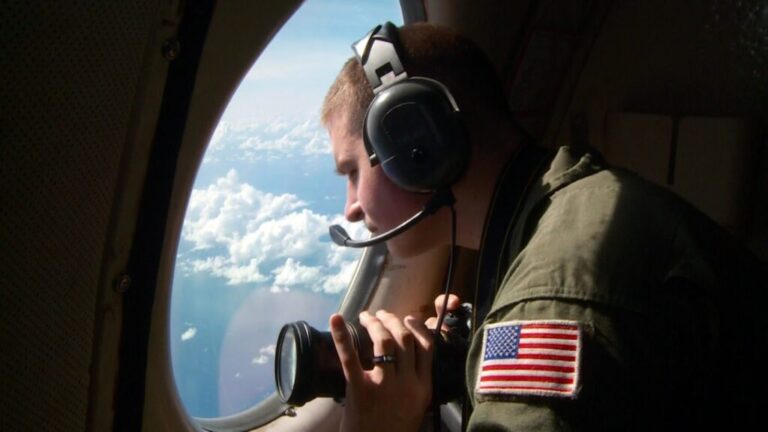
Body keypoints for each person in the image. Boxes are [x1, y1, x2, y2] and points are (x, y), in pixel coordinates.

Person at [321, 22, 766, 431]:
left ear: (419, 141)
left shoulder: (554, 293)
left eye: (353, 171)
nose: (351, 209)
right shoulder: (565, 203)